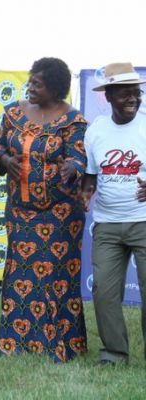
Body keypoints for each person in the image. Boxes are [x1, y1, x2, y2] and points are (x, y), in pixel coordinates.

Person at [0, 57, 87, 362]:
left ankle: (60, 344)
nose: (31, 88)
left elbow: (78, 155)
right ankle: (17, 342)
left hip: (60, 213)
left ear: (56, 88)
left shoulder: (73, 120)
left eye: (38, 84)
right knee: (19, 272)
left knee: (56, 275)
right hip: (20, 211)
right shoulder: (14, 113)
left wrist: (72, 167)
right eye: (30, 81)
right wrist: (4, 159)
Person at [83, 62, 146, 365]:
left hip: (144, 221)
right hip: (107, 224)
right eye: (125, 94)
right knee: (104, 293)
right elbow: (92, 174)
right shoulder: (96, 131)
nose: (133, 98)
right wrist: (85, 192)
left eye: (136, 93)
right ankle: (115, 353)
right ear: (108, 96)